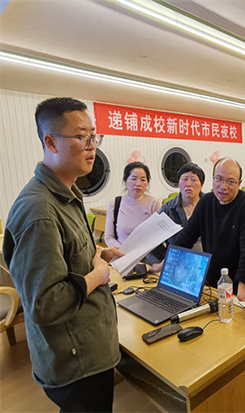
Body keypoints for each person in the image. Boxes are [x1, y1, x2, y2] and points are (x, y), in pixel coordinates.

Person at [2, 97, 123, 411]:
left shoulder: (67, 192)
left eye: (94, 136)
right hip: (77, 361)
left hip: (87, 345)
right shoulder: (39, 210)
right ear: (51, 142)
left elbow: (66, 257)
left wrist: (97, 254)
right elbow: (43, 303)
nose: (92, 146)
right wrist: (96, 277)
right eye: (81, 137)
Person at [173, 158, 245, 301]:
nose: (223, 186)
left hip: (243, 289)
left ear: (239, 183)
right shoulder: (206, 202)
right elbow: (186, 237)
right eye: (219, 179)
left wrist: (242, 287)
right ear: (213, 177)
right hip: (214, 285)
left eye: (231, 181)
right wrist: (166, 263)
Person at [149, 163, 205, 272]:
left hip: (205, 264)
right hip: (178, 266)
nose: (188, 184)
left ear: (201, 185)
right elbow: (151, 237)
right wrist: (167, 259)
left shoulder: (210, 205)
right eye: (184, 179)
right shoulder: (168, 208)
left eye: (194, 180)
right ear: (178, 183)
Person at [104, 161, 162, 263]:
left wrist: (140, 253)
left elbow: (160, 235)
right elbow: (109, 237)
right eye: (133, 178)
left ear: (147, 183)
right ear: (125, 180)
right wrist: (124, 252)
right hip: (121, 256)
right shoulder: (115, 203)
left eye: (143, 179)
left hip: (147, 257)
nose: (138, 184)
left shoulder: (154, 203)